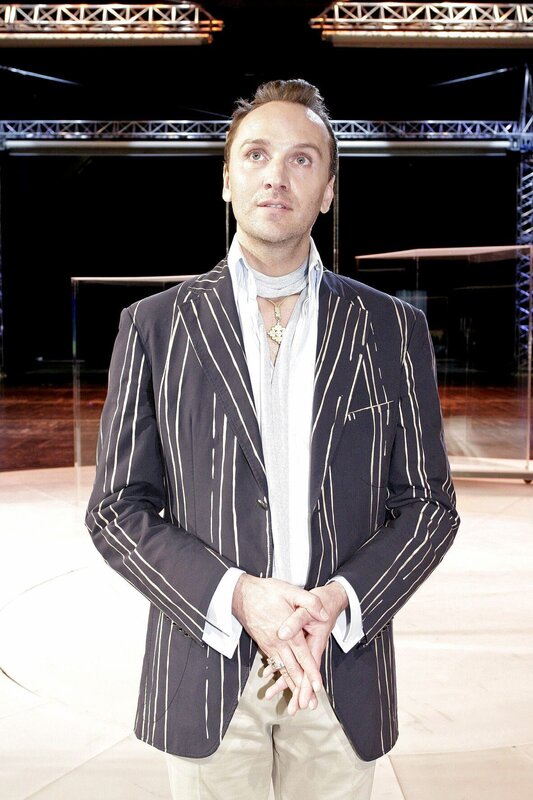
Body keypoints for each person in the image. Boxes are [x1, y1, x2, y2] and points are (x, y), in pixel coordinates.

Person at [85, 78, 460, 800]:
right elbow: (117, 510)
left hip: (338, 672)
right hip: (205, 669)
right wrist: (235, 597)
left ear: (328, 191)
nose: (276, 176)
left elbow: (428, 506)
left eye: (301, 159)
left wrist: (341, 601)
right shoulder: (155, 327)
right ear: (227, 180)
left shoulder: (390, 329)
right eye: (256, 155)